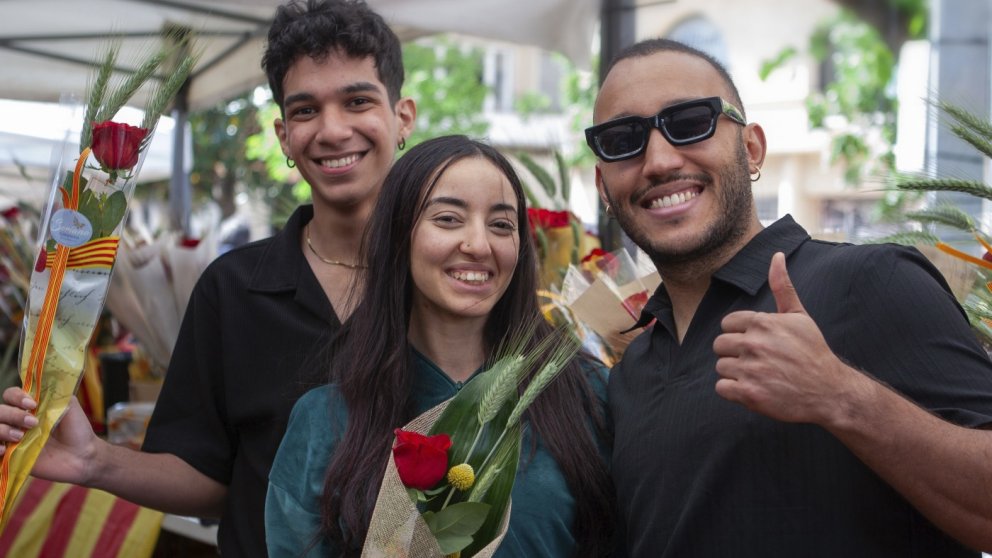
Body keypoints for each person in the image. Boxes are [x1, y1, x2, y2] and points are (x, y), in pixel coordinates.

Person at [0, 1, 415, 555]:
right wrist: (93, 459)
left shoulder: (450, 281)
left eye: (357, 101)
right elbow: (211, 480)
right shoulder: (233, 288)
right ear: (284, 135)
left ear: (403, 117)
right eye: (306, 110)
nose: (332, 129)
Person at [586, 38, 992, 557]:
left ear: (751, 148)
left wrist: (843, 397)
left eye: (690, 122)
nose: (659, 160)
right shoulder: (631, 373)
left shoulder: (869, 282)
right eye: (622, 140)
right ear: (603, 186)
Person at [265, 135, 616, 557]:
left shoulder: (587, 395)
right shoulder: (326, 420)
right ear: (397, 235)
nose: (478, 245)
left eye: (501, 225)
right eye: (448, 219)